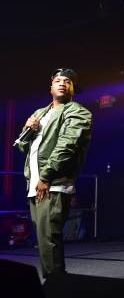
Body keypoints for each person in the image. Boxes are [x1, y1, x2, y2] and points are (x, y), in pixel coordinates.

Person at [15, 68, 93, 278]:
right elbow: (21, 146)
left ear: (73, 88)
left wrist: (46, 176)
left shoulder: (78, 112)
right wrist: (28, 129)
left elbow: (66, 147)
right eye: (58, 80)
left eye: (67, 81)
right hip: (36, 183)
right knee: (43, 240)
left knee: (49, 238)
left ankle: (56, 288)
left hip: (53, 182)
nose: (62, 83)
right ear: (50, 87)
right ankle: (56, 286)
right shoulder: (39, 113)